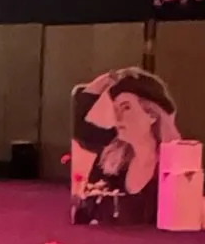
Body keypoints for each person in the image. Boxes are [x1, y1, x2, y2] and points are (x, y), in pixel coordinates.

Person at [75, 68, 178, 222]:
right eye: (115, 109)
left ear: (152, 115)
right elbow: (79, 127)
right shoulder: (110, 159)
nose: (118, 117)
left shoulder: (175, 167)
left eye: (126, 107)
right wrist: (108, 78)